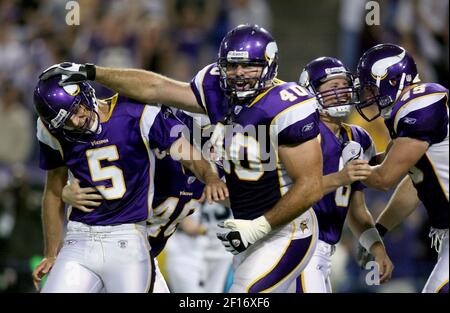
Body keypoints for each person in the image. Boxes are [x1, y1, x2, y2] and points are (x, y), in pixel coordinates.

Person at [40, 24, 324, 293]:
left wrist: (258, 226)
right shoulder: (213, 93)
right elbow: (156, 88)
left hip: (285, 229)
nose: (239, 73)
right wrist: (91, 72)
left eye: (249, 65)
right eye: (232, 65)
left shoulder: (287, 105)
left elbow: (311, 184)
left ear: (269, 64)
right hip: (241, 229)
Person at [31, 74, 227, 293]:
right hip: (83, 236)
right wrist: (51, 251)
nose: (76, 121)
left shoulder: (137, 115)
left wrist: (211, 178)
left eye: (76, 111)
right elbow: (54, 190)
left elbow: (192, 158)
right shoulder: (53, 131)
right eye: (65, 120)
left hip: (132, 240)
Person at [290, 57, 393, 293]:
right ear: (311, 92)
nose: (343, 92)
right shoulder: (302, 133)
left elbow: (356, 209)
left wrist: (377, 248)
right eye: (332, 87)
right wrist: (341, 177)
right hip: (298, 244)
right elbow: (292, 191)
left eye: (345, 85)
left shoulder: (358, 137)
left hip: (326, 251)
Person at [355, 43, 449, 293]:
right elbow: (414, 183)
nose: (368, 97)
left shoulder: (421, 102)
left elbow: (385, 178)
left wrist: (345, 171)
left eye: (371, 87)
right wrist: (379, 230)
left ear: (393, 79)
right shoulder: (411, 109)